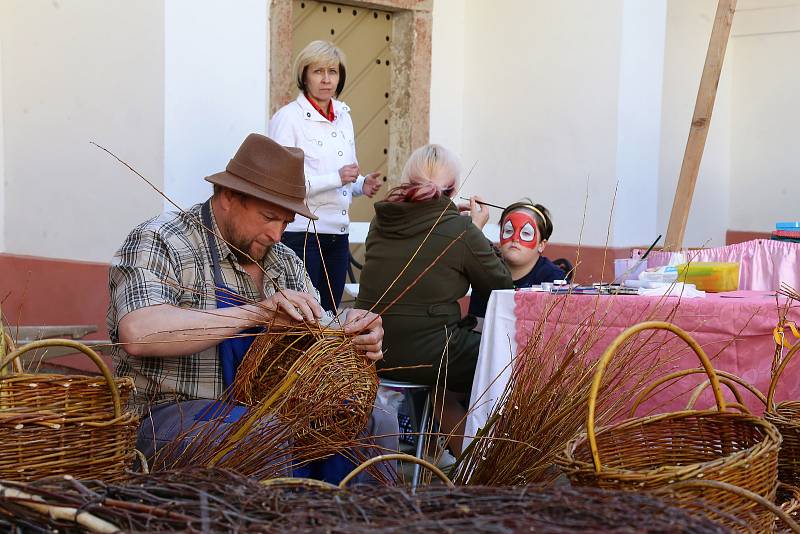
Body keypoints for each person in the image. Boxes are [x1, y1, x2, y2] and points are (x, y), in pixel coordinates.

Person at [107, 133, 397, 479]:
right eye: (268, 217)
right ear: (228, 196)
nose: (277, 234)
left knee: (375, 421)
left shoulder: (284, 261)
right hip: (166, 416)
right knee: (261, 434)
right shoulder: (162, 240)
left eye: (286, 222)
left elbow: (318, 331)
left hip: (266, 413)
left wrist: (351, 330)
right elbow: (139, 332)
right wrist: (257, 312)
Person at [355, 144, 513, 454]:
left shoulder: (380, 222)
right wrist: (474, 230)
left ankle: (435, 450)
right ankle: (483, 461)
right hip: (433, 354)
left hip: (372, 352)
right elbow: (499, 283)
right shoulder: (460, 229)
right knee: (502, 357)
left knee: (447, 378)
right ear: (454, 190)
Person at [269, 40, 382, 313]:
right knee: (304, 316)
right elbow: (283, 185)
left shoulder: (344, 115)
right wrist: (337, 177)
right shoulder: (288, 118)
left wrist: (360, 184)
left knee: (330, 314)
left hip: (337, 234)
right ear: (304, 75)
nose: (326, 79)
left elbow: (346, 175)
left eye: (333, 71)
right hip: (302, 234)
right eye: (318, 71)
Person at [467, 200, 566, 320]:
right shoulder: (487, 271)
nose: (515, 238)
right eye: (508, 231)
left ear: (541, 245)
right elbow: (477, 323)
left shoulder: (553, 278)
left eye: (526, 233)